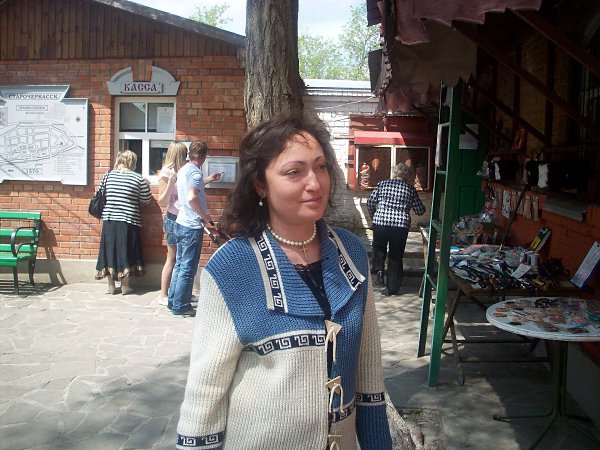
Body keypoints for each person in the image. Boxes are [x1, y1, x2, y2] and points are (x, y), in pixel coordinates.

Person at [176, 116, 392, 449]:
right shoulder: (231, 268)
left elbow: (369, 371)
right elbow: (205, 393)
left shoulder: (351, 253)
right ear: (260, 184)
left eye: (320, 167)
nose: (315, 183)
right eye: (294, 172)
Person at [167, 141, 221, 317]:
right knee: (188, 268)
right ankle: (181, 306)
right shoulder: (196, 173)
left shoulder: (184, 170)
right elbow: (192, 196)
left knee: (179, 265)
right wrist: (205, 217)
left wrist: (210, 179)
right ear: (204, 156)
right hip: (191, 226)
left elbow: (191, 186)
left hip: (180, 222)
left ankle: (173, 300)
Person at [95, 150, 152, 295]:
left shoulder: (108, 176)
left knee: (109, 251)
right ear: (132, 162)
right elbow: (146, 201)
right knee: (126, 251)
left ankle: (110, 286)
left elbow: (99, 194)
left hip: (109, 220)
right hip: (128, 221)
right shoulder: (138, 178)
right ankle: (125, 285)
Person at [367, 162, 426, 296]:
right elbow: (419, 210)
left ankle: (379, 269)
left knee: (378, 248)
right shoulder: (410, 189)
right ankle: (392, 288)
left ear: (394, 173)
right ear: (407, 176)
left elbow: (370, 202)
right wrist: (423, 208)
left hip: (381, 222)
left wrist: (374, 216)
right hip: (400, 226)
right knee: (396, 256)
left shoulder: (383, 184)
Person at [156, 142, 188, 305]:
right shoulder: (166, 172)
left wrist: (209, 179)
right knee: (172, 257)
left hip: (184, 218)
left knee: (183, 258)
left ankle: (180, 293)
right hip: (173, 218)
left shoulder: (184, 170)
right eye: (184, 154)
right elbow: (162, 201)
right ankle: (163, 294)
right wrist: (170, 182)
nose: (186, 157)